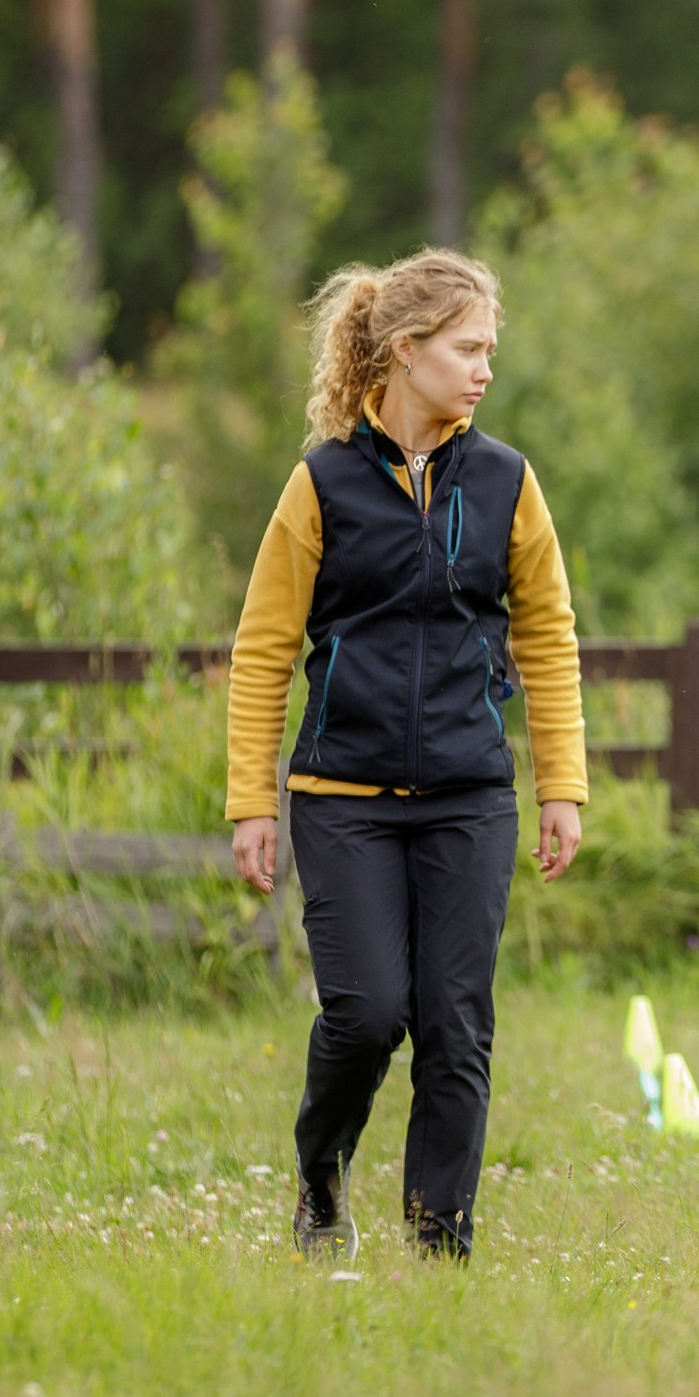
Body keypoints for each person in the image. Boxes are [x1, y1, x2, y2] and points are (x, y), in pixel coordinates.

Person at [223, 247, 586, 1262]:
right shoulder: (321, 483)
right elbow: (261, 647)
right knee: (369, 1009)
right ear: (405, 349)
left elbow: (549, 636)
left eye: (489, 350)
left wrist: (562, 783)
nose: (483, 369)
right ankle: (319, 1174)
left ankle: (440, 1246)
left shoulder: (508, 481)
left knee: (455, 1024)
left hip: (470, 793)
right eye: (467, 349)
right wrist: (251, 800)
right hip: (342, 793)